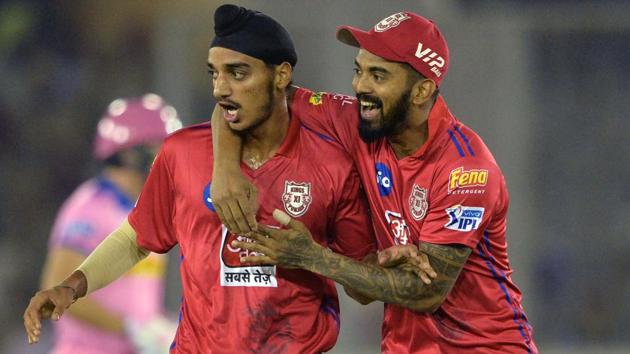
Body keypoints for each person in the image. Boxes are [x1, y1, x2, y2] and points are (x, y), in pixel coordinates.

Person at [24, 5, 434, 353]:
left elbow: (359, 286)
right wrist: (71, 287)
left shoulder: (332, 159)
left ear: (280, 76)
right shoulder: (182, 153)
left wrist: (352, 261)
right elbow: (136, 237)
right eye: (214, 74)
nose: (221, 88)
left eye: (238, 73)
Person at [211, 10, 538, 354]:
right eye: (359, 70)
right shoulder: (359, 123)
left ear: (421, 90)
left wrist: (311, 257)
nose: (359, 86)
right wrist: (225, 171)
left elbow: (426, 292)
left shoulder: (465, 170)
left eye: (378, 75)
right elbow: (251, 97)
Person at [38, 93, 182, 354]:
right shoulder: (90, 208)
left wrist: (155, 325)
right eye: (161, 148)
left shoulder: (143, 210)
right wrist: (130, 328)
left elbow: (133, 297)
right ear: (130, 154)